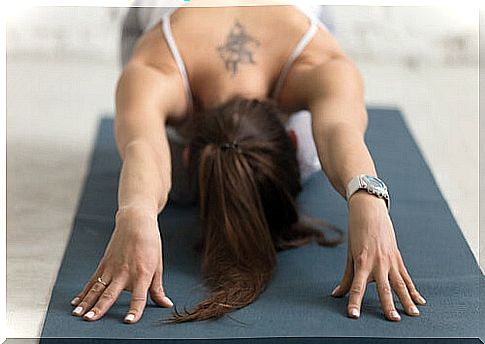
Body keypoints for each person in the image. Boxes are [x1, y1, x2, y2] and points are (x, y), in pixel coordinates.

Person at [69, 2, 427, 325]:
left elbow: (338, 129)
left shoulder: (156, 70)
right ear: (291, 135)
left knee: (310, 156)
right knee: (184, 183)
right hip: (164, 23)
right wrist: (137, 213)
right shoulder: (155, 62)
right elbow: (141, 145)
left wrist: (368, 198)